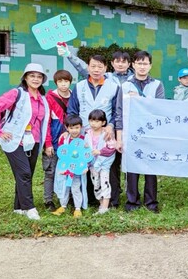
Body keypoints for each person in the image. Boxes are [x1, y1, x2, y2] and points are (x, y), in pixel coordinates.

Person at [58, 45, 131, 209]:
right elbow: (72, 110)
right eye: (93, 66)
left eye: (100, 66)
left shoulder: (114, 87)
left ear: (106, 68)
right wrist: (70, 129)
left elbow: (117, 111)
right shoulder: (79, 86)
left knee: (109, 166)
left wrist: (111, 126)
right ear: (88, 67)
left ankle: (111, 200)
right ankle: (86, 198)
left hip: (106, 133)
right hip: (83, 132)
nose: (96, 69)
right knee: (84, 164)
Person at [0, 63, 50, 220]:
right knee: (24, 173)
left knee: (24, 175)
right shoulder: (18, 94)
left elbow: (45, 123)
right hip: (15, 141)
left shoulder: (42, 99)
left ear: (43, 79)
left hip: (34, 141)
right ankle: (29, 208)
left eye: (39, 76)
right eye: (32, 76)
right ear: (25, 78)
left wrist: (47, 143)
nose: (36, 79)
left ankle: (18, 207)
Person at [122, 50, 165, 213]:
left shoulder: (157, 84)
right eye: (139, 63)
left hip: (151, 132)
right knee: (132, 167)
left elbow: (160, 107)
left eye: (145, 63)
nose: (142, 66)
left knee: (150, 166)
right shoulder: (125, 85)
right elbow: (120, 109)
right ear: (133, 65)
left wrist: (139, 99)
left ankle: (151, 202)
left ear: (150, 66)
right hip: (131, 132)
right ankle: (132, 201)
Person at [42, 69, 73, 212]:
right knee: (50, 171)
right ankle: (48, 200)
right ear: (56, 83)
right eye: (60, 81)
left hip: (71, 139)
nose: (63, 84)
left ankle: (69, 197)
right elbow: (46, 122)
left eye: (66, 81)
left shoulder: (74, 96)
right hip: (54, 138)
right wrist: (47, 143)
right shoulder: (50, 97)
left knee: (70, 168)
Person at [52, 114, 87, 218]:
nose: (74, 130)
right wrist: (63, 168)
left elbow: (86, 155)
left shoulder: (83, 139)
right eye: (71, 128)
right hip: (65, 168)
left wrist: (84, 167)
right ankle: (63, 206)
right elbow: (62, 154)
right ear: (67, 128)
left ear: (81, 127)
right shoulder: (64, 139)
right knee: (64, 187)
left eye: (77, 128)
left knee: (76, 188)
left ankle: (77, 208)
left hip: (77, 169)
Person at [85, 109, 117, 215]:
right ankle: (101, 204)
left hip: (103, 164)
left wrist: (100, 151)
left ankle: (105, 207)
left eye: (97, 121)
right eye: (91, 121)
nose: (93, 124)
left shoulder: (106, 133)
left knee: (105, 183)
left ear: (103, 122)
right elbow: (85, 149)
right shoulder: (87, 134)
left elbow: (112, 147)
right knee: (96, 184)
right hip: (92, 164)